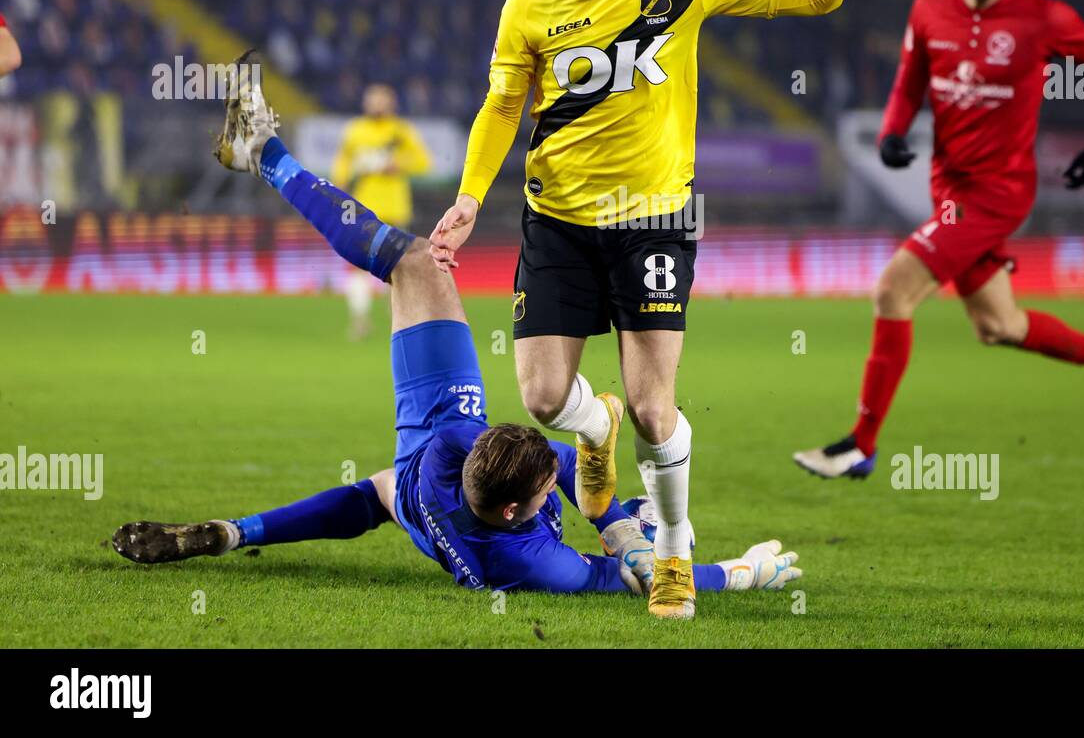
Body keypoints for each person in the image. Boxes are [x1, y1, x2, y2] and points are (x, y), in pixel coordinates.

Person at [113, 58, 802, 599]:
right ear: (514, 509)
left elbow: (567, 485)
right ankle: (237, 532)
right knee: (376, 492)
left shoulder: (463, 463)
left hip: (425, 479)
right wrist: (719, 566)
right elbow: (628, 569)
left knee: (414, 272)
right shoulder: (523, 549)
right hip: (422, 500)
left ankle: (263, 154)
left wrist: (650, 540)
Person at [429, 0, 891, 618]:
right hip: (558, 222)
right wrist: (473, 194)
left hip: (653, 222)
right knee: (542, 400)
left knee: (654, 408)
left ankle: (673, 553)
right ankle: (592, 424)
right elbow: (504, 103)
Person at [794, 0, 1084, 481]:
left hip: (998, 193)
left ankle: (861, 444)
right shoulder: (930, 10)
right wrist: (890, 135)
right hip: (948, 190)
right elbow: (909, 83)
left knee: (892, 291)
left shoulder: (1041, 17)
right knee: (998, 326)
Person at [330, 83, 432, 340]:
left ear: (391, 103)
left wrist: (396, 164)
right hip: (363, 209)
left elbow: (423, 162)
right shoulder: (356, 131)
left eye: (380, 100)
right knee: (357, 266)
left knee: (398, 268)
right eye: (371, 99)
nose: (375, 104)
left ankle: (398, 320)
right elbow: (342, 163)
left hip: (395, 209)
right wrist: (340, 185)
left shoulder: (401, 131)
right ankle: (360, 321)